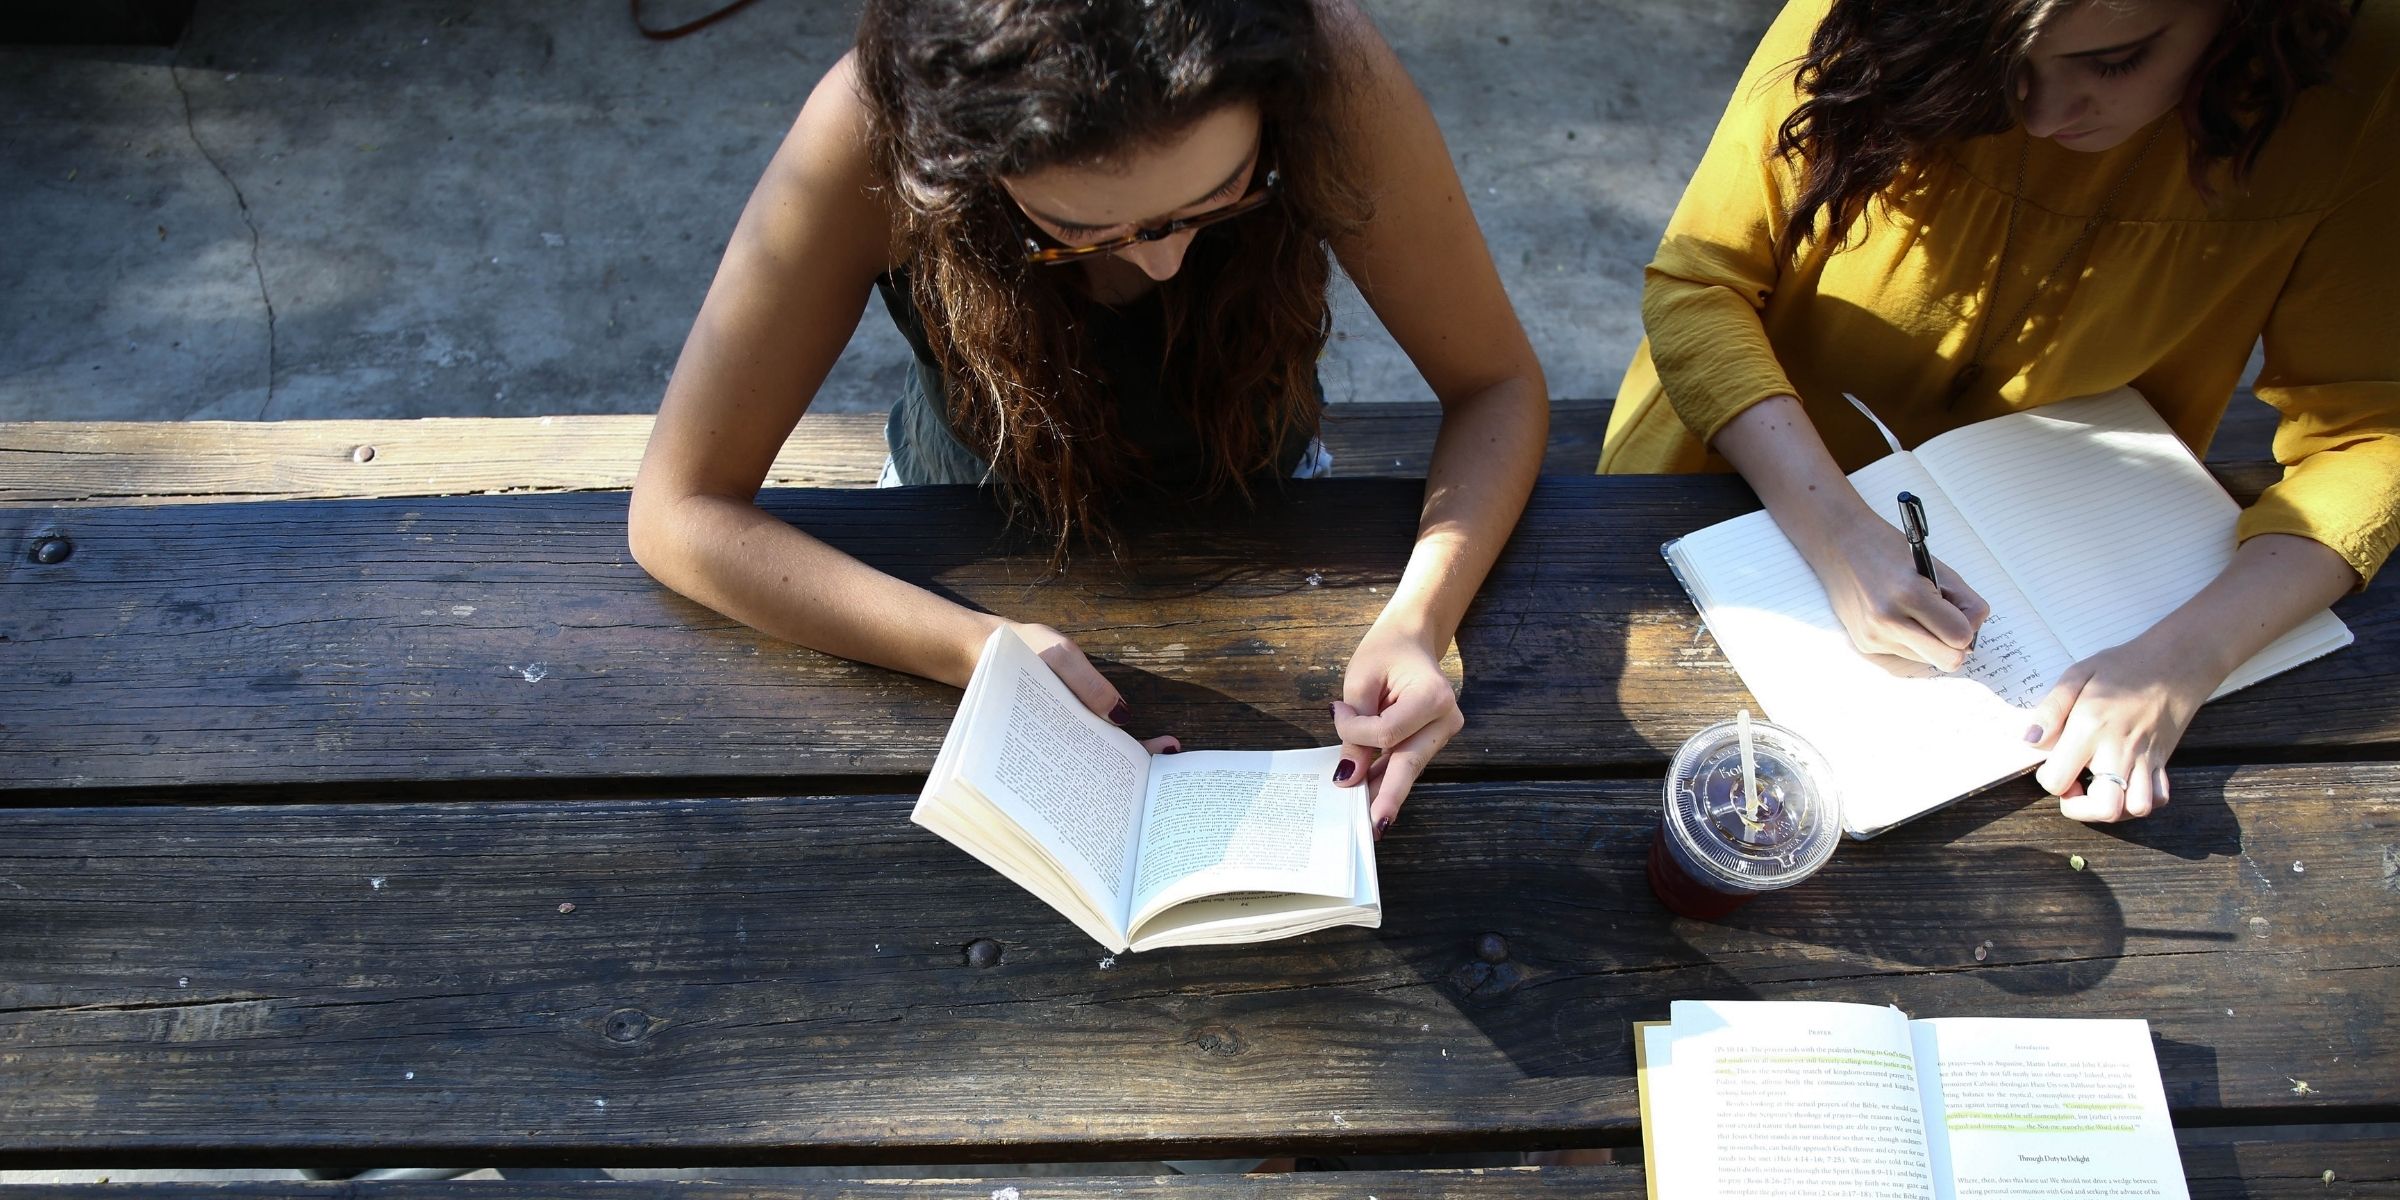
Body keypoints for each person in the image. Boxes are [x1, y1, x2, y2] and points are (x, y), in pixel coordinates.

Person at [629, 0, 1548, 837]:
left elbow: (1495, 384)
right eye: (1082, 232)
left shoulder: (1327, 66)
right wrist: (978, 650)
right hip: (954, 527)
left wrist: (1420, 620)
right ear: (959, 162)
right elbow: (680, 511)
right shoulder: (874, 129)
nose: (1165, 264)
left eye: (1223, 194)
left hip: (1267, 500)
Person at [1603, 0, 2396, 824]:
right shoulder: (1874, 17)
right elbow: (1703, 285)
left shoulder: (2360, 82)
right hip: (1729, 473)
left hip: (2090, 567)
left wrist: (2183, 659)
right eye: (2005, 63)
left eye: (2115, 60)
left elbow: (2375, 434)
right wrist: (1837, 533)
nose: (2045, 114)